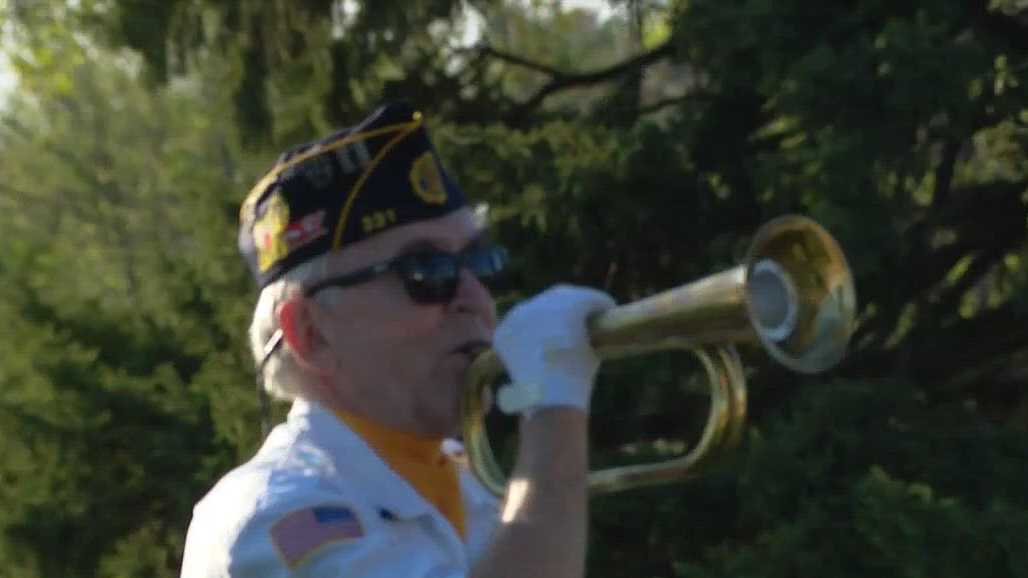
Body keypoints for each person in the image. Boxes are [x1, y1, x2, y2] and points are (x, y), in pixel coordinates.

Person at [180, 102, 616, 578]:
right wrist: (554, 409)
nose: (475, 298)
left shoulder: (467, 480)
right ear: (311, 333)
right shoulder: (273, 518)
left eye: (478, 262)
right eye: (426, 271)